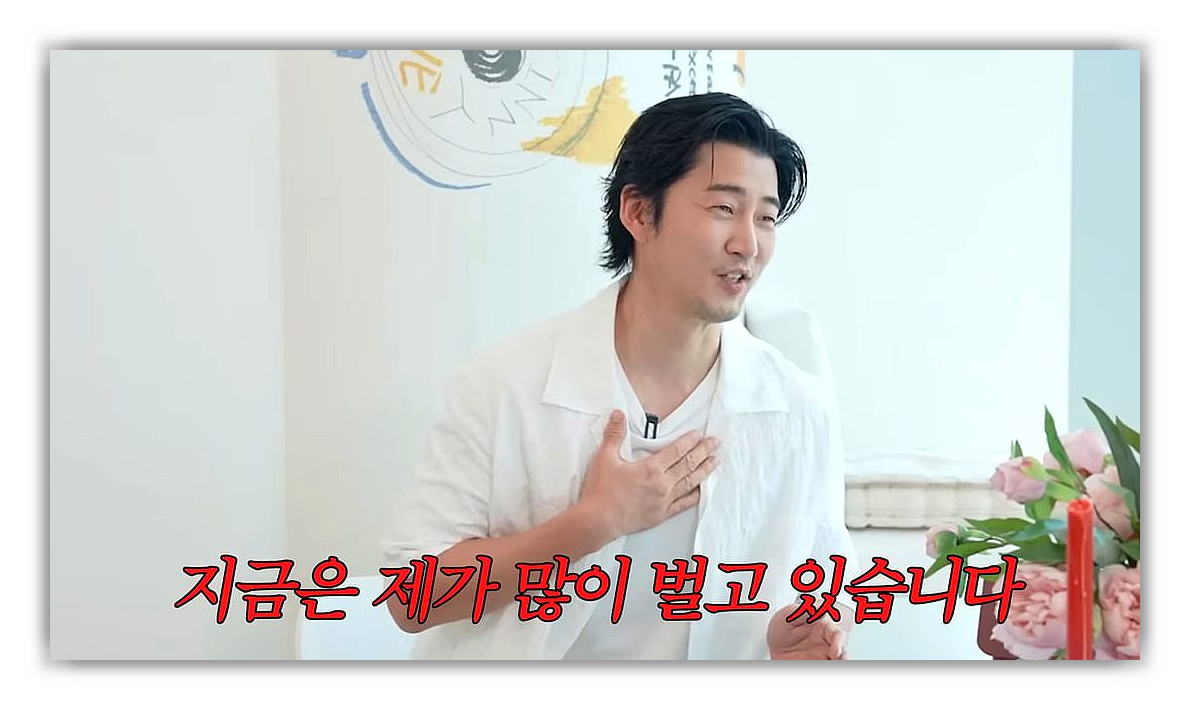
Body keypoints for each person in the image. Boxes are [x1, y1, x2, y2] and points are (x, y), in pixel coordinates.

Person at [381, 91, 855, 660]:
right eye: (723, 209)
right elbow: (411, 596)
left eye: (766, 218)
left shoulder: (800, 409)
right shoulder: (504, 384)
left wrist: (789, 643)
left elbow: (824, 592)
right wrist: (591, 524)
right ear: (639, 213)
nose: (747, 244)